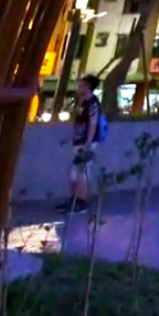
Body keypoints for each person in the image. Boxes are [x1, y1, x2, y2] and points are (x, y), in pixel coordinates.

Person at [58, 76, 104, 214]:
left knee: (82, 172)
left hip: (86, 142)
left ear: (88, 87)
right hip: (78, 140)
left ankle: (81, 202)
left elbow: (93, 123)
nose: (79, 87)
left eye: (82, 85)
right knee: (74, 173)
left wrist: (87, 144)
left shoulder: (92, 103)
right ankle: (74, 199)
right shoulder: (81, 101)